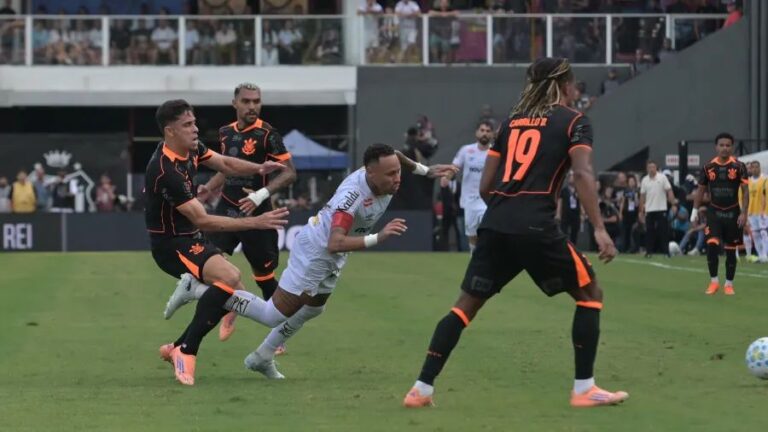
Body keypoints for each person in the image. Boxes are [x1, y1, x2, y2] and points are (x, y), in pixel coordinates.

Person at [402, 57, 628, 409]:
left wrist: (508, 210)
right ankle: (584, 389)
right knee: (590, 292)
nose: (574, 89)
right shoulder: (575, 122)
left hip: (497, 221)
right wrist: (599, 228)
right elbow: (582, 175)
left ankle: (421, 389)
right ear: (563, 86)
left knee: (464, 307)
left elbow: (487, 185)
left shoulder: (510, 124)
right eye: (572, 83)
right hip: (535, 222)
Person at [164, 143, 457, 379]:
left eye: (397, 172)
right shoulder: (352, 198)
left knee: (315, 308)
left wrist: (426, 170)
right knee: (272, 315)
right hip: (318, 250)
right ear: (370, 173)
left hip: (334, 255)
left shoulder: (386, 168)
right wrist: (379, 238)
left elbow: (399, 157)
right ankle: (198, 290)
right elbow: (335, 242)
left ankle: (262, 357)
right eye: (390, 174)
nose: (397, 178)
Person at [145, 99, 289, 386]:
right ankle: (187, 350)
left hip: (190, 238)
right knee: (230, 277)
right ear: (170, 131)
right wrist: (255, 222)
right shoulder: (165, 172)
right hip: (171, 245)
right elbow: (204, 221)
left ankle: (177, 344)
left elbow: (223, 163)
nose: (195, 129)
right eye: (187, 125)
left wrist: (258, 168)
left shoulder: (190, 149)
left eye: (194, 122)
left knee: (232, 288)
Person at [195, 83, 297, 346]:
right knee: (210, 268)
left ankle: (278, 338)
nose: (252, 106)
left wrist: (260, 195)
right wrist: (209, 188)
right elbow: (227, 167)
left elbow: (289, 172)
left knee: (264, 278)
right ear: (235, 104)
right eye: (247, 101)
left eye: (256, 101)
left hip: (258, 214)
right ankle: (232, 306)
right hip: (226, 210)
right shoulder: (226, 133)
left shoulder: (267, 134)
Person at [690, 132, 749, 295]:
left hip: (733, 213)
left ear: (732, 147)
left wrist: (744, 213)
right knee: (712, 244)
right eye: (721, 145)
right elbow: (700, 190)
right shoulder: (708, 167)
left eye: (728, 145)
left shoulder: (739, 166)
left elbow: (745, 191)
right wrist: (694, 212)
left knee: (731, 250)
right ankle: (714, 281)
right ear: (716, 147)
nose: (724, 148)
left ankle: (729, 284)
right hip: (714, 212)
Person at [440, 120, 494, 253]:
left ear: (492, 134)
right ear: (477, 133)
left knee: (488, 232)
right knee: (472, 234)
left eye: (488, 131)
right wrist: (446, 177)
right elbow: (455, 167)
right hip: (470, 200)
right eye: (482, 130)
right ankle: (473, 258)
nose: (484, 134)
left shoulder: (494, 152)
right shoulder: (466, 150)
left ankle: (487, 260)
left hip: (488, 200)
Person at [639, 161, 677, 257]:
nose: (651, 169)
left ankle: (666, 252)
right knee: (649, 231)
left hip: (661, 208)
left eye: (653, 167)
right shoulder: (644, 180)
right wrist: (641, 211)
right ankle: (649, 252)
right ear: (647, 169)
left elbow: (669, 191)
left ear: (656, 168)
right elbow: (642, 196)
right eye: (649, 167)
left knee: (663, 231)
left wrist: (673, 204)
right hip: (649, 209)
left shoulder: (662, 178)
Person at [742, 161, 767, 262]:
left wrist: (764, 210)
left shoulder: (765, 179)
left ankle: (765, 254)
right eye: (753, 167)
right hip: (752, 212)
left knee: (764, 233)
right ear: (751, 169)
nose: (755, 169)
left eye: (757, 167)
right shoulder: (748, 181)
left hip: (763, 212)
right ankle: (760, 255)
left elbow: (766, 196)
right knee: (755, 234)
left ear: (760, 168)